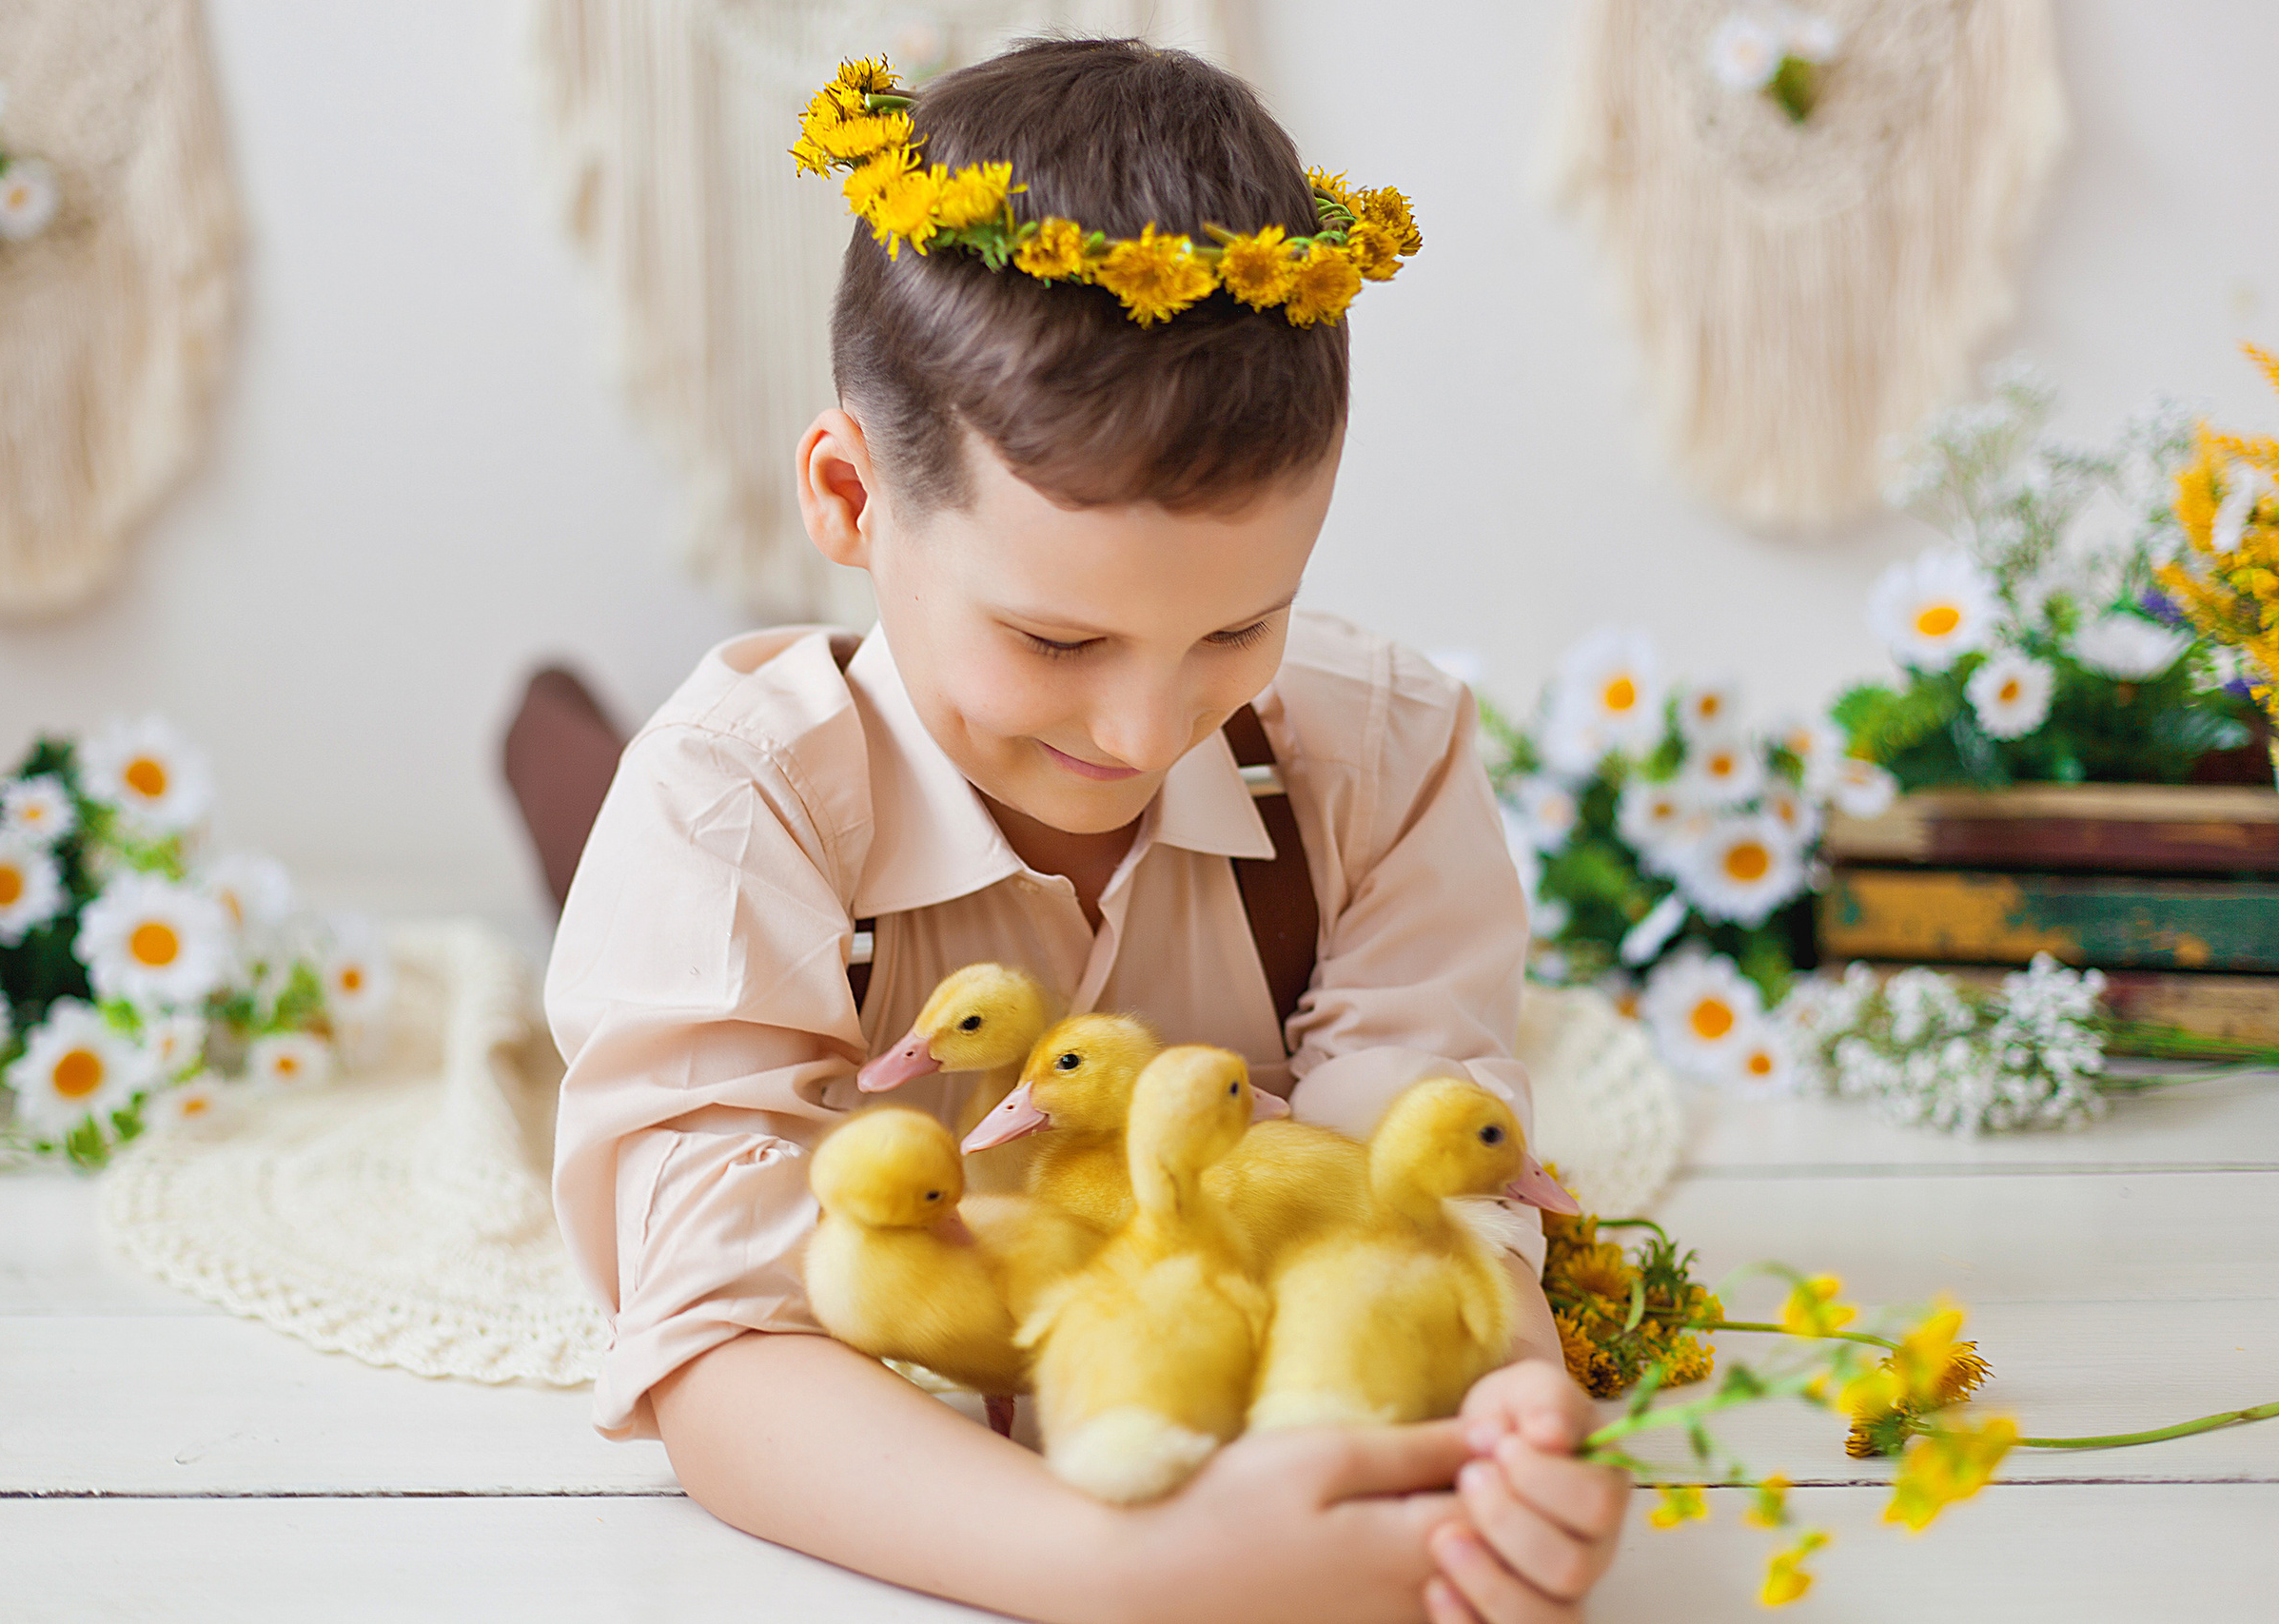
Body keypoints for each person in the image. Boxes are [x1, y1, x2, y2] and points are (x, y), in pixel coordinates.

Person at [547, 37, 1632, 1623]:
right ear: (849, 498)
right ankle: (550, 734)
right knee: (583, 819)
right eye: (1056, 640)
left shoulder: (1376, 751)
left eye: (1238, 629)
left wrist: (1506, 1419)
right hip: (731, 858)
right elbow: (717, 1336)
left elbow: (1418, 1177)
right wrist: (1119, 1567)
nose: (1138, 733)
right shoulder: (734, 804)